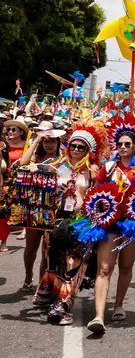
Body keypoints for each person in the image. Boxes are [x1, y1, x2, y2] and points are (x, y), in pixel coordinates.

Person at [88, 123, 135, 334]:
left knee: (126, 267)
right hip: (110, 223)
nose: (122, 147)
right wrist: (99, 204)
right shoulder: (109, 167)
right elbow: (96, 189)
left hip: (133, 225)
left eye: (127, 144)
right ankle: (99, 316)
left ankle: (118, 304)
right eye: (119, 144)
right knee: (104, 268)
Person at [34, 119, 108, 324]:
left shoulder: (93, 171)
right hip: (56, 218)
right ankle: (53, 296)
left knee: (74, 261)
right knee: (54, 259)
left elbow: (101, 197)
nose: (75, 149)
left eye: (80, 147)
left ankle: (65, 303)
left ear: (88, 150)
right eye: (73, 145)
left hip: (82, 220)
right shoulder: (58, 165)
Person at [18, 121, 65, 290]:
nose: (50, 144)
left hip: (53, 209)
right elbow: (23, 162)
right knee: (31, 248)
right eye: (47, 141)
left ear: (58, 142)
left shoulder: (63, 160)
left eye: (52, 141)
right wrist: (36, 140)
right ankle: (28, 275)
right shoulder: (35, 158)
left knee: (47, 250)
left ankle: (41, 285)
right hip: (34, 207)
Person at [0, 117, 30, 252]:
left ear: (21, 132)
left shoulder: (27, 145)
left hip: (19, 181)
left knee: (10, 213)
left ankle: (4, 240)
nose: (10, 132)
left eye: (14, 129)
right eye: (9, 129)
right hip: (3, 180)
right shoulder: (3, 144)